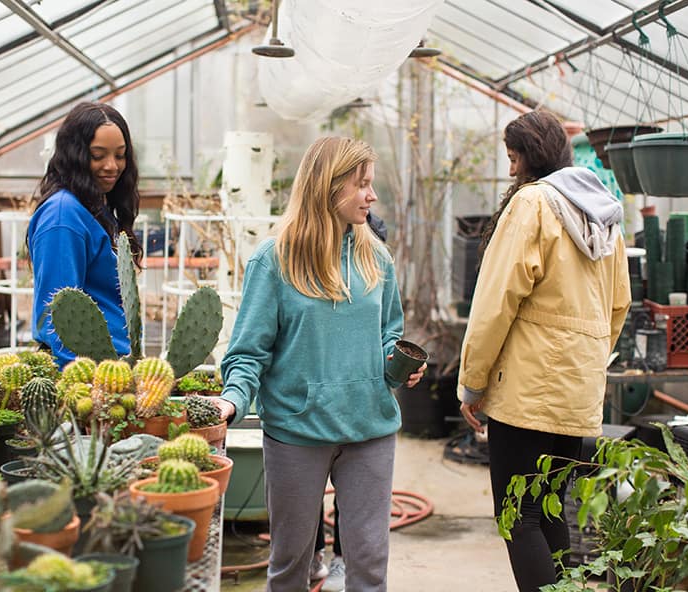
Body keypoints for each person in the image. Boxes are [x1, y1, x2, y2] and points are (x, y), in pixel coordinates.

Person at [212, 137, 424, 592]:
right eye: (361, 184)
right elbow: (249, 350)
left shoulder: (376, 257)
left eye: (371, 184)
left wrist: (396, 363)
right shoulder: (274, 260)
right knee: (291, 565)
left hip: (370, 428)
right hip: (296, 432)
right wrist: (232, 400)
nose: (371, 195)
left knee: (369, 566)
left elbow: (389, 330)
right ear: (329, 186)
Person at [457, 110, 630, 592]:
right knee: (548, 508)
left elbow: (496, 301)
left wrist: (473, 383)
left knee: (518, 516)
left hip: (529, 393)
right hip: (577, 393)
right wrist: (583, 363)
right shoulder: (603, 212)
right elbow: (619, 305)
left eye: (513, 158)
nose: (511, 170)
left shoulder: (532, 205)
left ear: (531, 156)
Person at [27, 101, 142, 368]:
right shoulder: (63, 216)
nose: (112, 166)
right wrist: (78, 383)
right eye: (98, 155)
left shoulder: (94, 206)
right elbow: (60, 312)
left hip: (112, 368)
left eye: (120, 155)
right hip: (87, 375)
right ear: (75, 155)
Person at [310, 209, 388, 589]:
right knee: (303, 501)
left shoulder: (375, 250)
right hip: (306, 419)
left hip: (364, 417)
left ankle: (340, 557)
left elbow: (390, 326)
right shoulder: (287, 259)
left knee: (354, 510)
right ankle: (314, 555)